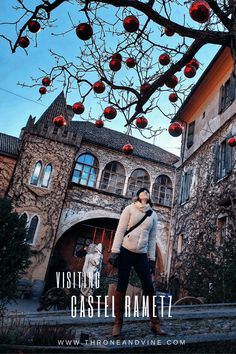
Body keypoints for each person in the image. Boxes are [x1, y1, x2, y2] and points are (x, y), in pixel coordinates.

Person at [109, 188, 166, 337]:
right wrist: (115, 251)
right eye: (142, 191)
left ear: (149, 197)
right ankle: (117, 323)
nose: (145, 192)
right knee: (122, 284)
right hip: (126, 251)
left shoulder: (153, 215)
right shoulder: (129, 209)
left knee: (148, 286)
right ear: (138, 195)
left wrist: (152, 259)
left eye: (147, 192)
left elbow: (152, 238)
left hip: (141, 254)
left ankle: (155, 323)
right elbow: (121, 230)